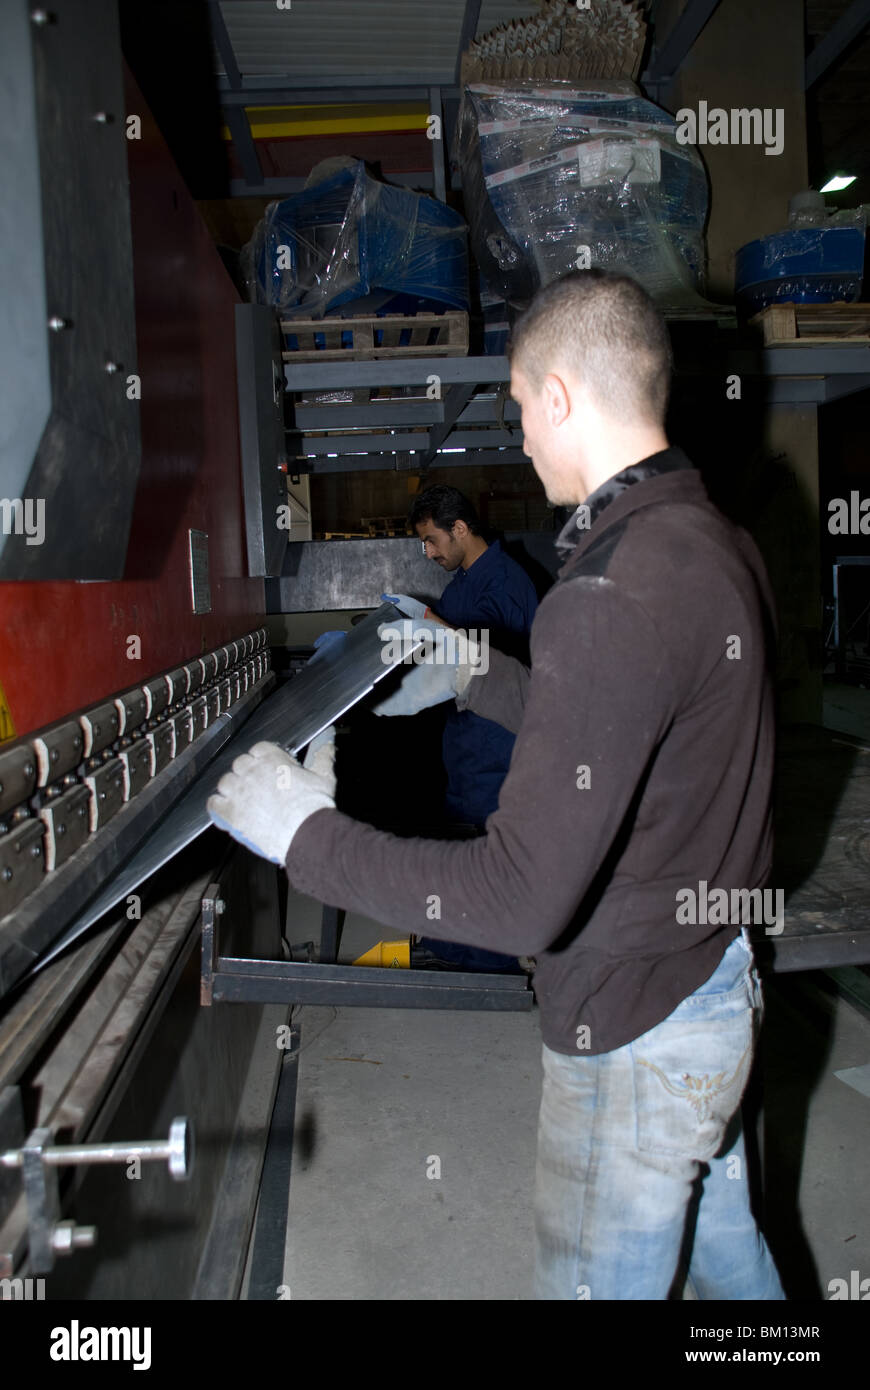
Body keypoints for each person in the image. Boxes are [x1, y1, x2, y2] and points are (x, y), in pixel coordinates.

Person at [207, 269, 785, 1300]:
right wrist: (480, 669)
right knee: (730, 1268)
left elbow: (521, 895)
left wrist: (304, 836)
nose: (518, 435)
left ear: (559, 395)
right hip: (712, 983)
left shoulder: (604, 590)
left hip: (635, 1028)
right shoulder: (713, 545)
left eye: (520, 406)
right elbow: (638, 737)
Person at [384, 484, 538, 972]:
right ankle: (458, 946)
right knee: (466, 852)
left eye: (432, 541)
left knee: (494, 857)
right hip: (467, 749)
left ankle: (496, 966)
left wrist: (424, 631)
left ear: (461, 529)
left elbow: (483, 656)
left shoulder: (508, 584)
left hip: (500, 749)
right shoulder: (462, 585)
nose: (428, 553)